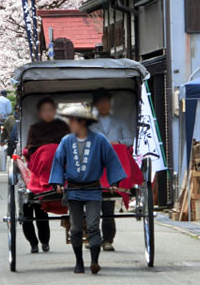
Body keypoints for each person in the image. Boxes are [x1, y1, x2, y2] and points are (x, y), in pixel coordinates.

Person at [49, 105, 126, 275]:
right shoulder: (66, 141)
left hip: (93, 189)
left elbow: (111, 159)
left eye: (73, 121)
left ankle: (94, 261)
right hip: (74, 190)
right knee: (75, 228)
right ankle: (78, 262)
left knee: (93, 226)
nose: (70, 124)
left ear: (82, 122)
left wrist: (114, 181)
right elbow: (58, 162)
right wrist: (58, 182)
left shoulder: (99, 140)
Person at [23, 98, 70, 254]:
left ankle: (44, 241)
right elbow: (30, 149)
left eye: (51, 110)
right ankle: (33, 242)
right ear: (40, 113)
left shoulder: (63, 126)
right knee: (31, 209)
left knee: (56, 153)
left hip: (60, 161)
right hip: (41, 161)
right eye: (45, 110)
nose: (48, 113)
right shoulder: (35, 128)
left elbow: (69, 145)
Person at [90, 88, 133, 251]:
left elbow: (129, 140)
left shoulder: (120, 122)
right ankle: (94, 237)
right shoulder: (90, 124)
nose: (104, 105)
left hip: (114, 166)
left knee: (107, 207)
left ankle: (108, 239)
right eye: (100, 103)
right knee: (92, 207)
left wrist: (118, 143)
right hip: (96, 168)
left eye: (106, 102)